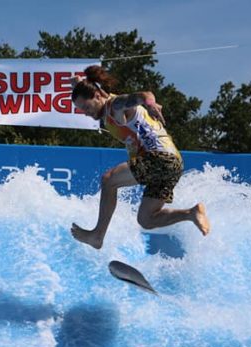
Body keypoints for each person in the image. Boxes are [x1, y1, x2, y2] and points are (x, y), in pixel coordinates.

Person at [69, 65, 210, 249]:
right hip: (173, 164)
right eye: (81, 110)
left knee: (108, 180)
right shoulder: (103, 103)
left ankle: (97, 235)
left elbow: (144, 95)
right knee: (147, 219)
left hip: (159, 158)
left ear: (97, 96)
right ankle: (191, 213)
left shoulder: (115, 106)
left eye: (86, 107)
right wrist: (77, 84)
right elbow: (88, 90)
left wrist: (150, 104)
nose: (86, 113)